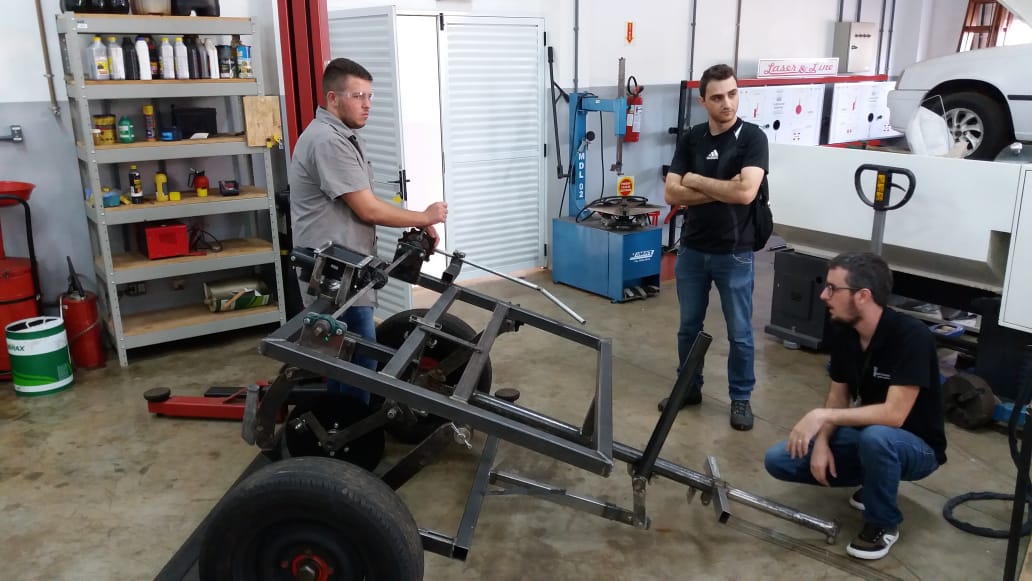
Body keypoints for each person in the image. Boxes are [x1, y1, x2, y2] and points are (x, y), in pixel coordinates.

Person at [764, 252, 947, 560]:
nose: (823, 295)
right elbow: (838, 395)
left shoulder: (911, 337)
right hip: (870, 436)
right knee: (780, 459)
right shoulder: (844, 331)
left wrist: (822, 416)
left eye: (833, 288)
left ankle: (883, 524)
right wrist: (822, 441)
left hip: (917, 446)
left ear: (863, 296)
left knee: (878, 437)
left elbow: (894, 414)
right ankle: (877, 479)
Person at [288, 58, 448, 404]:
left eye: (370, 96)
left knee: (347, 354)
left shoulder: (342, 137)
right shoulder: (328, 142)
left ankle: (347, 411)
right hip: (332, 277)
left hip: (348, 269)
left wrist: (416, 221)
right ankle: (349, 432)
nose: (367, 105)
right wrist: (423, 216)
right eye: (358, 96)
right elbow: (367, 208)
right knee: (356, 359)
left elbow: (363, 201)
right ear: (333, 98)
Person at [659, 64, 768, 431]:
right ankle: (689, 387)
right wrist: (723, 187)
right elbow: (671, 193)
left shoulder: (752, 138)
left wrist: (697, 181)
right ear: (703, 100)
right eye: (718, 97)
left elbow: (746, 193)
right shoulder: (692, 139)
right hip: (692, 251)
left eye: (733, 94)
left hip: (735, 252)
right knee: (688, 327)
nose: (727, 103)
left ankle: (741, 398)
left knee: (740, 332)